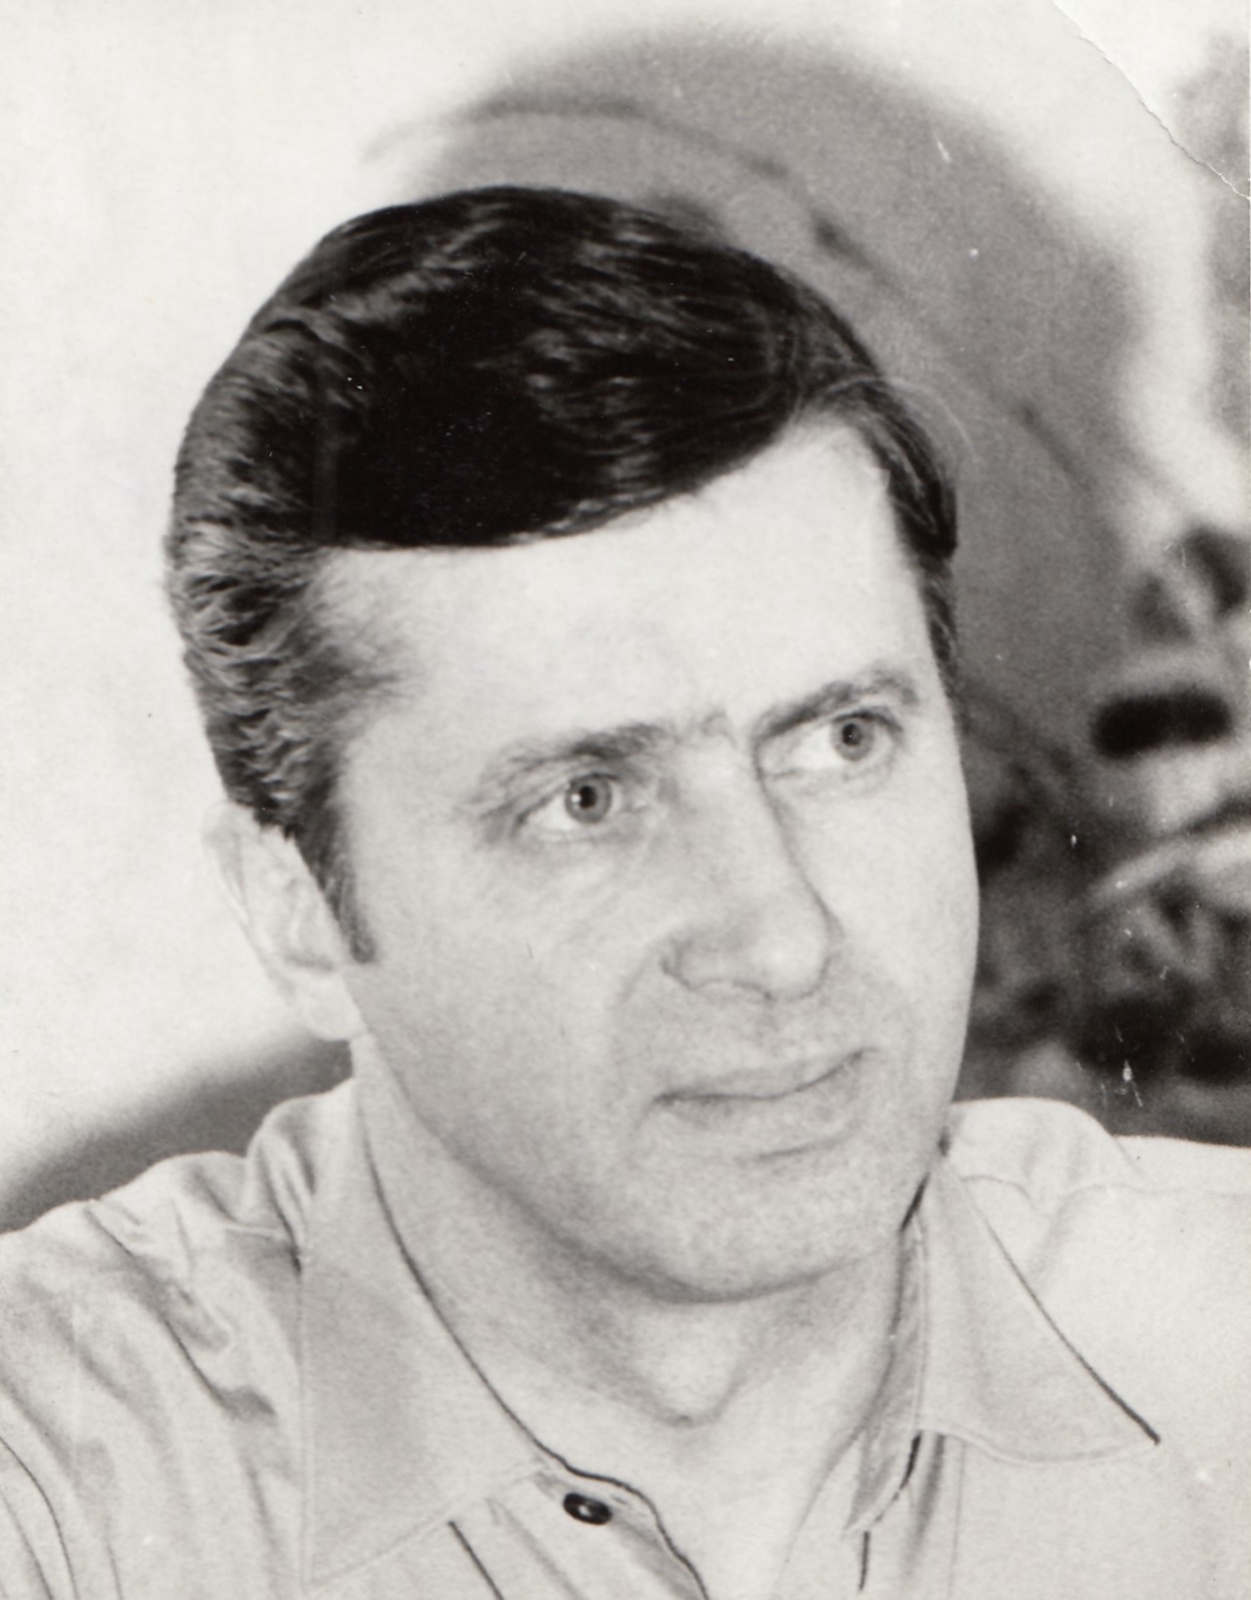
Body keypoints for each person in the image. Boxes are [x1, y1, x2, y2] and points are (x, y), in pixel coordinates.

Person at [0, 186, 1246, 1600]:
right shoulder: (66, 1479)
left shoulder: (1224, 1362)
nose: (781, 938)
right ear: (298, 911)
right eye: (586, 801)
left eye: (843, 741)